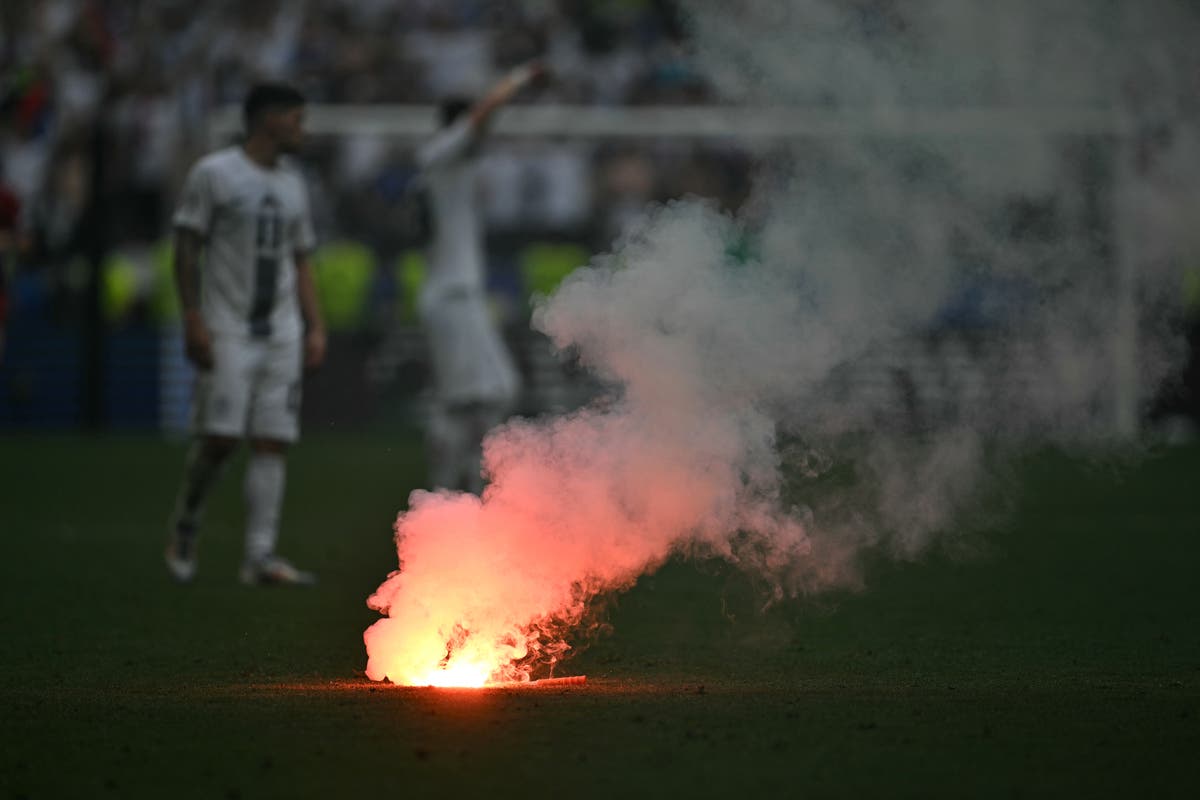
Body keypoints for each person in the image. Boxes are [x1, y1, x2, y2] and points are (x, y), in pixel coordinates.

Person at [165, 83, 326, 585]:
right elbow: (186, 247)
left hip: (281, 329)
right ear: (269, 120)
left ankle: (259, 557)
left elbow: (301, 260)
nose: (303, 130)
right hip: (227, 326)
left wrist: (314, 324)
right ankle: (187, 520)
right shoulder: (214, 173)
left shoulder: (294, 182)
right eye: (296, 120)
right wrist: (192, 317)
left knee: (273, 440)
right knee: (220, 438)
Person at [415, 62, 544, 493]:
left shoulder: (445, 167)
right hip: (453, 297)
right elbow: (481, 117)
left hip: (455, 295)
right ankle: (452, 489)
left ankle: (457, 483)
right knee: (491, 392)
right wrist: (521, 77)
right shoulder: (443, 155)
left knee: (477, 397)